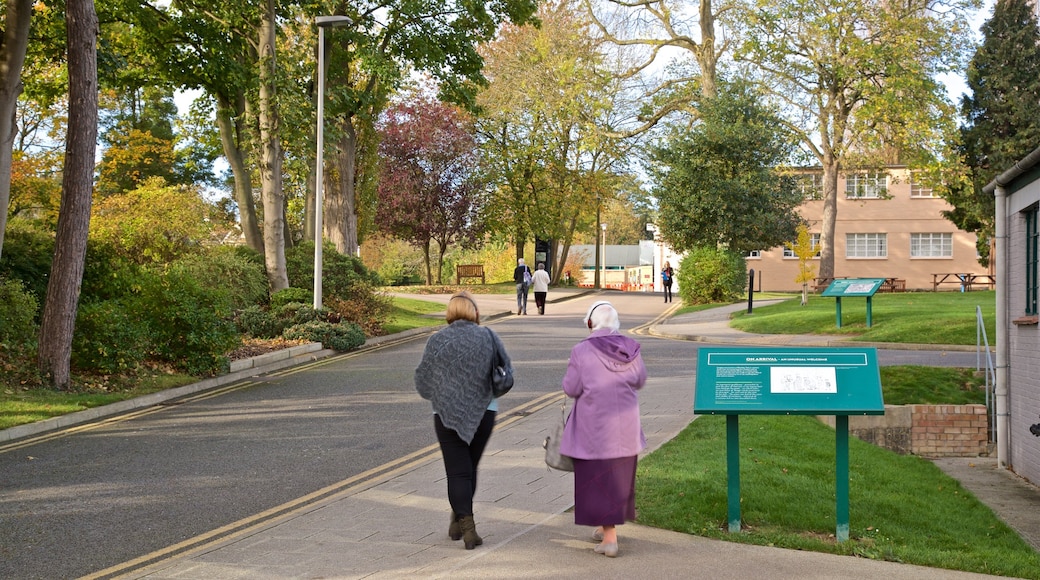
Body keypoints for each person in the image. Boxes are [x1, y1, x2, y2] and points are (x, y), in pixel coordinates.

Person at [414, 291, 511, 550]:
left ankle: (466, 525)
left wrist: (442, 395)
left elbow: (422, 384)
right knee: (469, 470)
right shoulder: (488, 336)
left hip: (445, 415)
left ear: (449, 313)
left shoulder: (437, 341)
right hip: (484, 412)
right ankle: (464, 523)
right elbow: (506, 373)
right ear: (474, 312)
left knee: (458, 472)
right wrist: (489, 393)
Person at [560, 301, 647, 558]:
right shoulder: (631, 348)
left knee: (597, 478)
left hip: (594, 427)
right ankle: (603, 526)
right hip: (626, 426)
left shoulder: (581, 351)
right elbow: (640, 379)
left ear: (590, 323)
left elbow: (571, 388)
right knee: (617, 477)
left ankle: (610, 539)